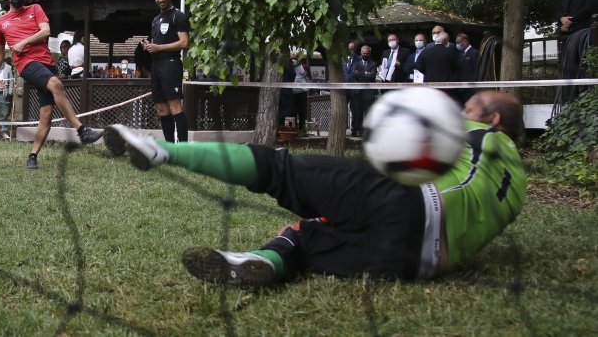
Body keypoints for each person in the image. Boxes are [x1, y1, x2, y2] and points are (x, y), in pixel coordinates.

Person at [104, 90, 526, 286]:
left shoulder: (483, 137)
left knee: (279, 168)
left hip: (410, 202)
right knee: (308, 235)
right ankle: (262, 261)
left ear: (491, 120)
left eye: (469, 107)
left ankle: (161, 150)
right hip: (416, 262)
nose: (460, 109)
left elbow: (421, 139)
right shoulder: (517, 187)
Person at [0, 0, 103, 169]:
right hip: (26, 64)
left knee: (47, 114)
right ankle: (82, 131)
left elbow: (45, 32)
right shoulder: (0, 23)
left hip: (47, 63)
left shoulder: (35, 9)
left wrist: (24, 42)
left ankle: (32, 156)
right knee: (57, 84)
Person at [141, 0, 190, 143]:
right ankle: (170, 148)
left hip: (171, 64)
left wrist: (159, 47)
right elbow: (157, 44)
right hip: (156, 66)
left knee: (175, 105)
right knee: (161, 108)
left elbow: (184, 43)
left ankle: (183, 149)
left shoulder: (178, 15)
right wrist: (150, 47)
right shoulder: (155, 20)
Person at [349, 45, 376, 136]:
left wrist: (360, 74)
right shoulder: (356, 63)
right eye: (363, 53)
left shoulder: (373, 64)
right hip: (357, 92)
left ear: (370, 53)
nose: (365, 55)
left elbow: (372, 76)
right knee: (356, 112)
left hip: (368, 92)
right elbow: (354, 73)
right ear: (361, 53)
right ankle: (356, 130)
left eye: (367, 53)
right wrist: (365, 73)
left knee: (368, 112)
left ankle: (367, 132)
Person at [290, 51, 312, 134]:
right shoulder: (289, 66)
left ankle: (302, 129)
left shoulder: (304, 67)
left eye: (295, 59)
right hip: (292, 92)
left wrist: (309, 87)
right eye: (292, 59)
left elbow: (309, 77)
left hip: (302, 92)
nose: (293, 61)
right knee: (293, 112)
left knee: (302, 112)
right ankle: (294, 130)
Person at [455, 33, 479, 104]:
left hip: (469, 88)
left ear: (465, 41)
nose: (457, 45)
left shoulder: (474, 53)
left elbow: (476, 69)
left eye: (458, 42)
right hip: (460, 88)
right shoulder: (460, 54)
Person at [341, 42, 359, 131]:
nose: (351, 51)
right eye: (349, 49)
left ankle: (354, 129)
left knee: (354, 109)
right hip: (344, 88)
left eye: (352, 49)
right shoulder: (342, 59)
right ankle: (342, 128)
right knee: (343, 108)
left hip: (354, 88)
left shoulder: (359, 60)